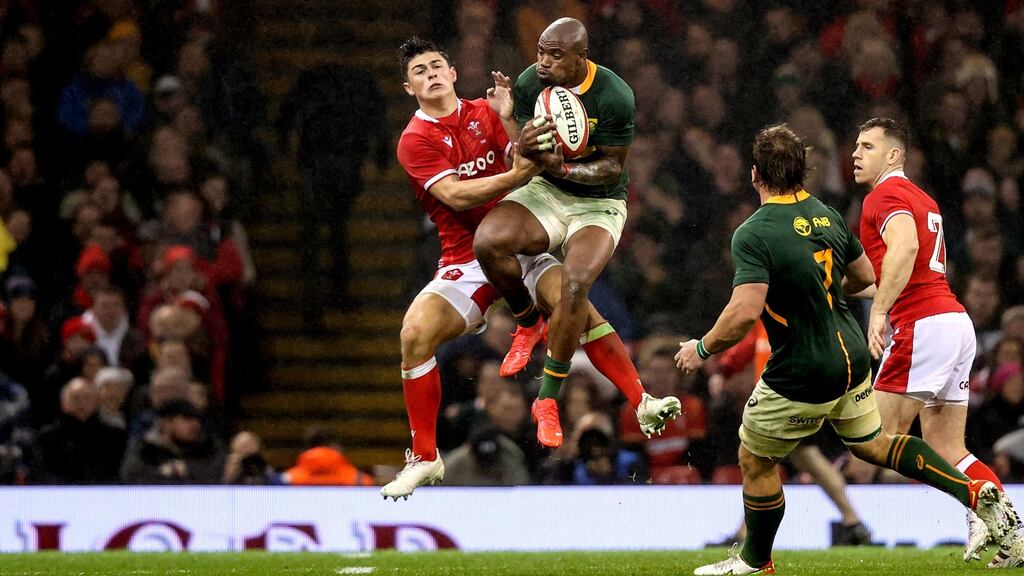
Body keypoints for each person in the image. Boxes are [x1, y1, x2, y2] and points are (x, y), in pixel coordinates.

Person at [675, 125, 1020, 576]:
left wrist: (701, 348)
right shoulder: (836, 214)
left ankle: (756, 560)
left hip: (857, 346)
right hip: (924, 331)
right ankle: (990, 511)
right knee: (924, 446)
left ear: (755, 174)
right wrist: (830, 289)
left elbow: (745, 312)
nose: (856, 153)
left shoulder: (855, 204)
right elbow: (863, 274)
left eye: (867, 146)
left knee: (761, 457)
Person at [381, 37, 679, 501]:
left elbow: (534, 157)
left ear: (454, 72)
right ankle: (425, 456)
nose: (431, 74)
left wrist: (508, 120)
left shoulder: (488, 111)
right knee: (413, 335)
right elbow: (459, 196)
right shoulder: (414, 140)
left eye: (437, 65)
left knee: (575, 305)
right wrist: (517, 175)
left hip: (523, 241)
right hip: (468, 257)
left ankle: (642, 401)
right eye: (420, 71)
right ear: (409, 87)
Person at [473, 18, 677, 449]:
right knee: (488, 243)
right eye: (541, 52)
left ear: (581, 58)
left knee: (576, 284)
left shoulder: (616, 95)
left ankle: (546, 400)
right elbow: (524, 158)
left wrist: (563, 167)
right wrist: (514, 125)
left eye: (554, 55)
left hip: (599, 201)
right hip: (546, 190)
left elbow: (613, 166)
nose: (543, 62)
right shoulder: (530, 82)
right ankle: (528, 321)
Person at [852, 117, 1024, 567]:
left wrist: (879, 310)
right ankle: (1008, 531)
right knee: (949, 448)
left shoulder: (883, 195)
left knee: (876, 438)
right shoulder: (922, 198)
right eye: (855, 145)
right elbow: (904, 270)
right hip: (952, 321)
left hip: (923, 325)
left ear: (893, 155)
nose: (855, 153)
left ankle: (977, 504)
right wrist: (844, 287)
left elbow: (905, 251)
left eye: (868, 146)